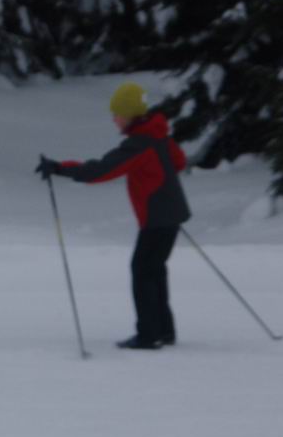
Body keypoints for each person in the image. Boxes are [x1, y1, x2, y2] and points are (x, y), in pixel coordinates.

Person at [35, 82, 190, 350]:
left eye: (117, 114)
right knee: (153, 270)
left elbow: (101, 170)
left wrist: (60, 168)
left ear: (130, 114)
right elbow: (178, 161)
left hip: (157, 217)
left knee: (143, 271)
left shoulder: (139, 144)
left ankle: (149, 335)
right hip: (170, 213)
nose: (114, 119)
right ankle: (163, 331)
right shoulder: (158, 136)